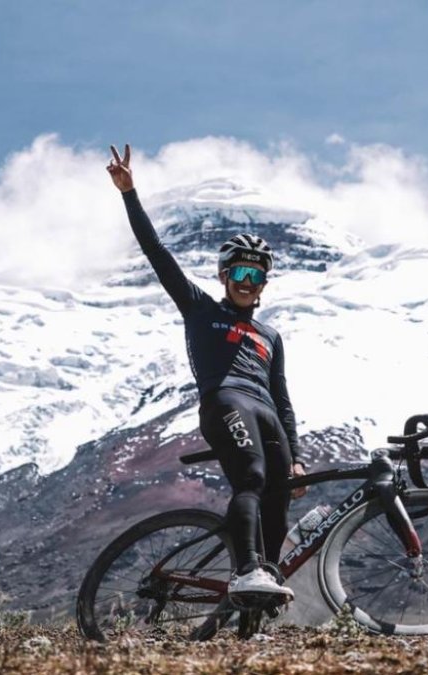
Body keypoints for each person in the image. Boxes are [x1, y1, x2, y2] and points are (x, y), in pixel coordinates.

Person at [107, 143, 306, 599]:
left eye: (255, 277)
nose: (246, 282)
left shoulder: (270, 336)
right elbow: (156, 253)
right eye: (238, 273)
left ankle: (263, 590)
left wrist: (294, 456)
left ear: (264, 285)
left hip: (267, 413)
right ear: (222, 276)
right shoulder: (198, 309)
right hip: (226, 401)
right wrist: (129, 193)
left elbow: (285, 401)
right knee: (252, 477)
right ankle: (246, 571)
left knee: (278, 501)